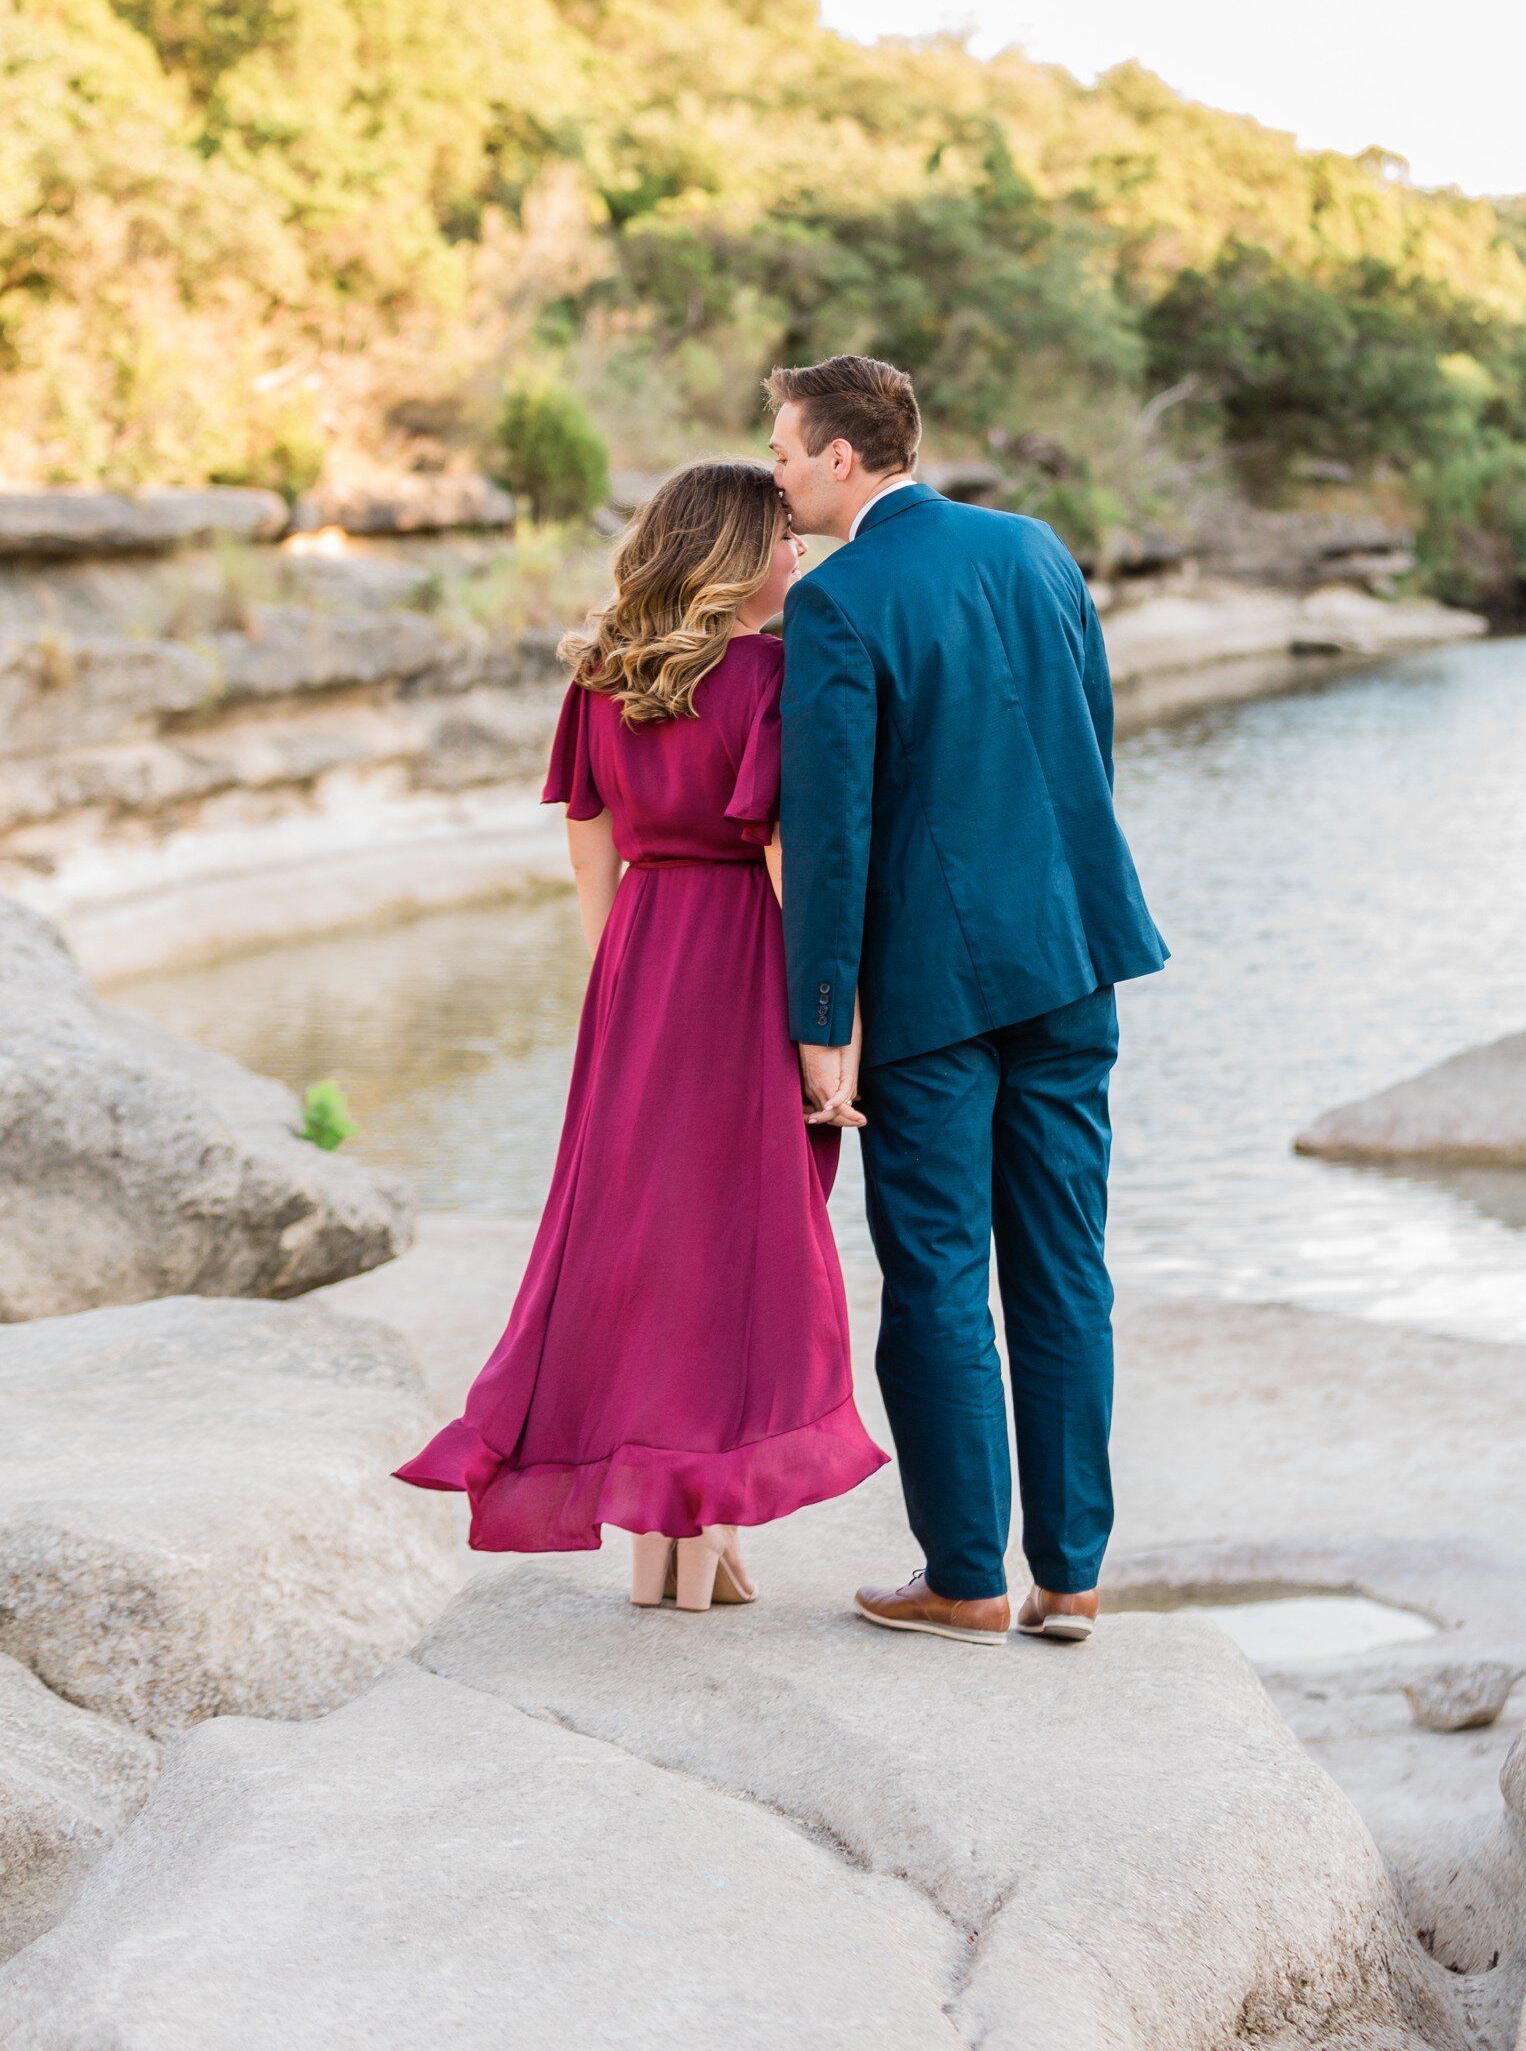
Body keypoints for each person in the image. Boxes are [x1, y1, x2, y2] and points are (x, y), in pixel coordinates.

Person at [395, 459, 887, 1607]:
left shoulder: (602, 676)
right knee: (735, 1246)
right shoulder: (768, 672)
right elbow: (785, 862)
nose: (796, 556)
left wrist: (624, 984)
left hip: (636, 964)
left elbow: (588, 856)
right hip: (736, 960)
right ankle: (690, 1524)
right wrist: (830, 1041)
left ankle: (672, 1542)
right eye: (779, 540)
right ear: (728, 555)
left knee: (645, 1245)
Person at [769, 354, 1167, 1647]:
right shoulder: (1038, 550)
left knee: (937, 1272)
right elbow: (1090, 740)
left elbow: (830, 831)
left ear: (843, 457)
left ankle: (963, 1577)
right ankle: (1073, 1573)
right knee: (1066, 1262)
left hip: (930, 989)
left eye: (783, 448)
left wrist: (824, 1016)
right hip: (1071, 954)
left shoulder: (839, 602)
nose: (774, 471)